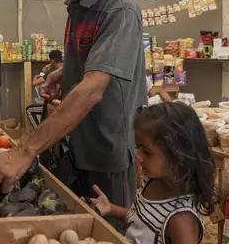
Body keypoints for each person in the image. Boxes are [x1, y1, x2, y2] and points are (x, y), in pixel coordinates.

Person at [0, 0, 147, 229]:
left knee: (107, 231)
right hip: (75, 142)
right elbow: (91, 59)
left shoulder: (119, 9)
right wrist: (63, 72)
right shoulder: (79, 5)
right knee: (74, 226)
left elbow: (93, 88)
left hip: (106, 148)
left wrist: (24, 150)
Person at [89, 102, 218, 244]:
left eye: (147, 152)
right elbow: (140, 220)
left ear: (178, 157)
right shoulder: (151, 181)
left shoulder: (182, 218)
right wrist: (111, 209)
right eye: (138, 148)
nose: (138, 156)